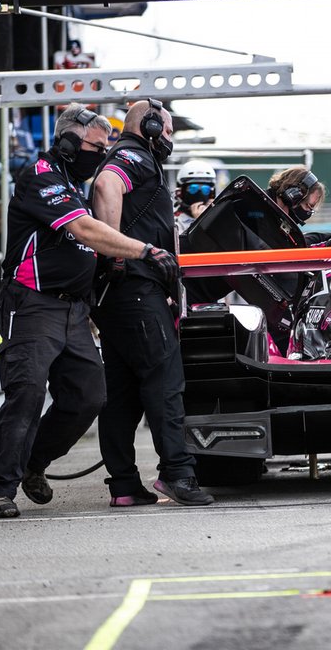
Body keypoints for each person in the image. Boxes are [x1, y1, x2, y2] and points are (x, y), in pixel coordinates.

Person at [0, 104, 178, 519]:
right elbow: (85, 231)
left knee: (90, 396)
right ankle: (0, 490)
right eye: (94, 145)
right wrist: (144, 250)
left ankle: (33, 462)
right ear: (69, 140)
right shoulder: (41, 175)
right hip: (33, 302)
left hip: (74, 311)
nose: (100, 153)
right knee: (27, 395)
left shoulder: (74, 185)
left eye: (105, 146)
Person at [91, 99, 213, 507]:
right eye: (170, 130)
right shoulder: (133, 156)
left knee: (121, 395)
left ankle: (124, 486)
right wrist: (117, 251)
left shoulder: (136, 157)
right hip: (139, 293)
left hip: (121, 298)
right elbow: (107, 184)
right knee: (165, 385)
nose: (171, 139)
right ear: (153, 127)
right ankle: (178, 474)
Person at [174, 159, 217, 233]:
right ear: (180, 192)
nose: (199, 193)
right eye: (193, 188)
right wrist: (199, 222)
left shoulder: (217, 217)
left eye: (205, 189)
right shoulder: (173, 220)